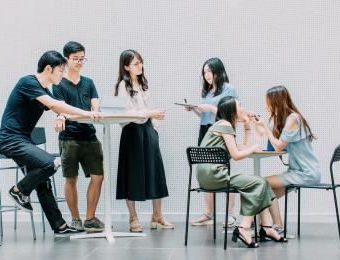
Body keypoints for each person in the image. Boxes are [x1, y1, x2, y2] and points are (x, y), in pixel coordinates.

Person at [0, 50, 101, 237]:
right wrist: (86, 113)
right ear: (48, 68)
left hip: (22, 140)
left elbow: (63, 110)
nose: (62, 74)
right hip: (10, 140)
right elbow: (54, 105)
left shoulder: (43, 90)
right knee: (50, 163)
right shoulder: (28, 82)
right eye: (60, 71)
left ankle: (59, 226)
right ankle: (18, 190)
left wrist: (85, 114)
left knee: (43, 182)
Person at [197, 96, 287, 247]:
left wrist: (246, 127)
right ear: (232, 109)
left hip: (207, 176)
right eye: (240, 105)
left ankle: (267, 227)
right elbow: (237, 155)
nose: (243, 108)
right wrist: (254, 147)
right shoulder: (225, 125)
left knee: (261, 183)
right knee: (259, 182)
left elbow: (242, 146)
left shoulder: (221, 125)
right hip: (215, 175)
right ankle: (244, 228)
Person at [114, 49, 174, 232]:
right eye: (135, 63)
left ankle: (157, 216)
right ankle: (133, 218)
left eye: (140, 62)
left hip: (148, 130)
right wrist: (149, 114)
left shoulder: (143, 84)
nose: (139, 66)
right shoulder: (122, 86)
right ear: (126, 67)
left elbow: (150, 108)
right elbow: (126, 114)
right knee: (132, 174)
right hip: (132, 133)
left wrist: (154, 127)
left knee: (155, 172)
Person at [252, 85, 321, 235]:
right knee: (264, 195)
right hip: (297, 171)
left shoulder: (293, 119)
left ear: (276, 101)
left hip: (306, 173)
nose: (266, 105)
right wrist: (258, 126)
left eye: (268, 101)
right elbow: (267, 140)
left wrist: (265, 126)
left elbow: (278, 147)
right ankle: (272, 227)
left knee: (262, 183)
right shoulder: (284, 119)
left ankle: (271, 226)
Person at [53, 41, 104, 232]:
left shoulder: (89, 82)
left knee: (98, 176)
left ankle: (90, 218)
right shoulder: (59, 84)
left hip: (90, 136)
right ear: (66, 59)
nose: (80, 62)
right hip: (69, 138)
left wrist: (95, 112)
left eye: (82, 59)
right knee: (71, 178)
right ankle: (76, 219)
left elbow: (95, 105)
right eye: (76, 59)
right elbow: (60, 108)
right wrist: (62, 115)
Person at [187, 58, 238, 227]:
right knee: (206, 170)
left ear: (218, 71)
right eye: (204, 72)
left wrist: (209, 108)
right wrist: (195, 109)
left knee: (223, 170)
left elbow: (231, 114)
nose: (206, 75)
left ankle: (230, 214)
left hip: (223, 130)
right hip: (206, 130)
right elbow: (205, 117)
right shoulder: (207, 92)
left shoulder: (229, 89)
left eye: (209, 71)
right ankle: (208, 213)